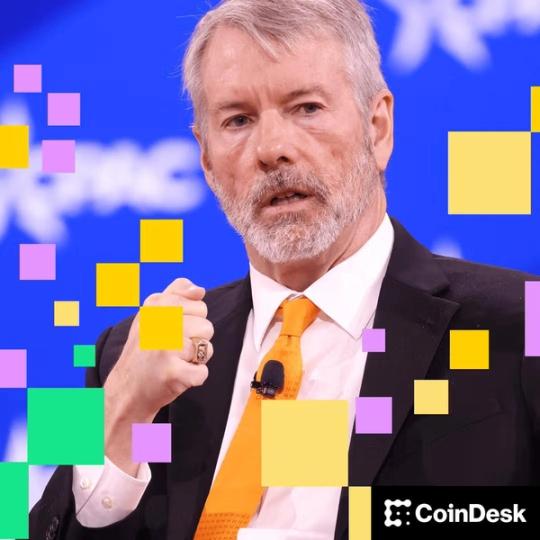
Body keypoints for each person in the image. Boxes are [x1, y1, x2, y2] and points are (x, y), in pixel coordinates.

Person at [29, 0, 540, 539]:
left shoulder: (521, 326)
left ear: (378, 127)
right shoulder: (128, 355)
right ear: (206, 159)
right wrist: (120, 416)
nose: (272, 149)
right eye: (238, 120)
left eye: (307, 108)